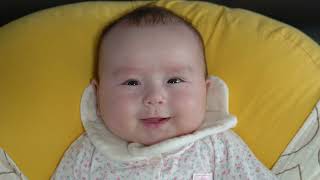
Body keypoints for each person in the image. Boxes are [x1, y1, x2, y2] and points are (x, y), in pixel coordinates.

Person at [52, 5, 278, 180]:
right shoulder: (90, 154)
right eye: (131, 82)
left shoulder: (218, 147)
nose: (154, 97)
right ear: (98, 95)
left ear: (205, 91)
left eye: (174, 80)